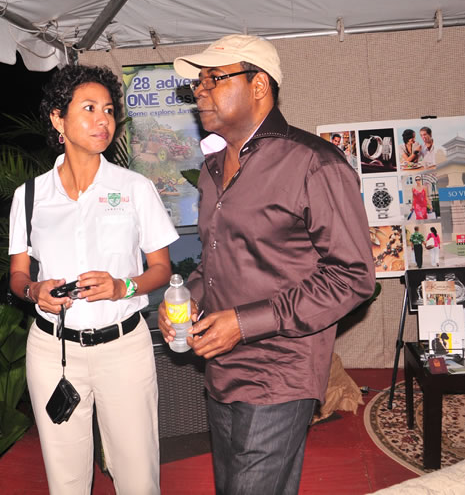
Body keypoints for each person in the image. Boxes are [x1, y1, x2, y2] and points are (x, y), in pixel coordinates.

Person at [159, 34, 376, 494]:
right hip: (220, 366)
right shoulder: (214, 169)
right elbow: (217, 261)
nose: (200, 90)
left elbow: (353, 277)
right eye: (198, 82)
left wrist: (245, 322)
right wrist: (187, 299)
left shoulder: (314, 164)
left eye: (214, 79)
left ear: (259, 85)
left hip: (280, 369)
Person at [8, 65, 177, 494]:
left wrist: (124, 287)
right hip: (52, 350)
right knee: (66, 479)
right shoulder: (29, 197)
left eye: (108, 110)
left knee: (138, 476)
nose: (103, 120)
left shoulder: (135, 187)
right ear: (57, 119)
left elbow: (161, 269)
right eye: (89, 109)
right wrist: (35, 292)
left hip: (124, 348)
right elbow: (17, 277)